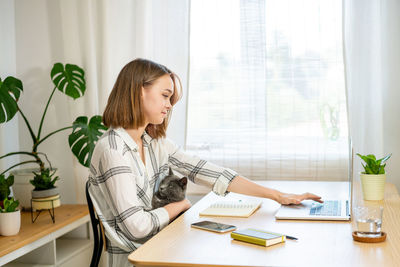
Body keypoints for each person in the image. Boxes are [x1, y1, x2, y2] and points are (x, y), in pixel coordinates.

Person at [88, 58, 323, 267]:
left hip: (162, 246)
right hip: (137, 259)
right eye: (165, 95)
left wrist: (277, 196)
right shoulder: (112, 150)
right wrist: (178, 206)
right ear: (140, 91)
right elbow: (137, 226)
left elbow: (210, 172)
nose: (169, 105)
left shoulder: (154, 143)